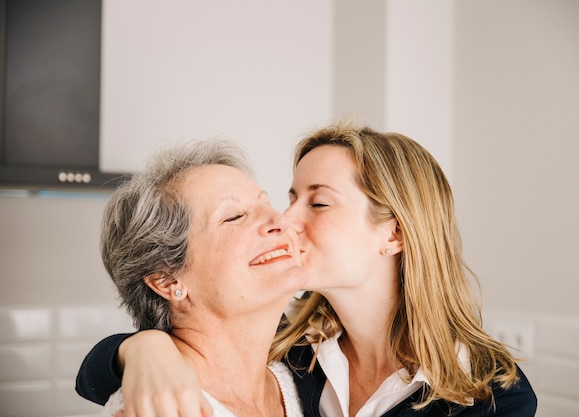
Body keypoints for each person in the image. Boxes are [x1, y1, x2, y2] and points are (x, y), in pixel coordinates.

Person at [76, 122, 537, 417]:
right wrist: (144, 349)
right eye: (291, 198)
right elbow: (98, 373)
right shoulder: (296, 355)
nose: (284, 220)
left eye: (317, 202)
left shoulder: (493, 397)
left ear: (394, 235)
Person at [88, 138, 306, 417]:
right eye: (235, 216)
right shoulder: (152, 410)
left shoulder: (303, 377)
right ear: (168, 280)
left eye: (267, 203)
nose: (281, 220)